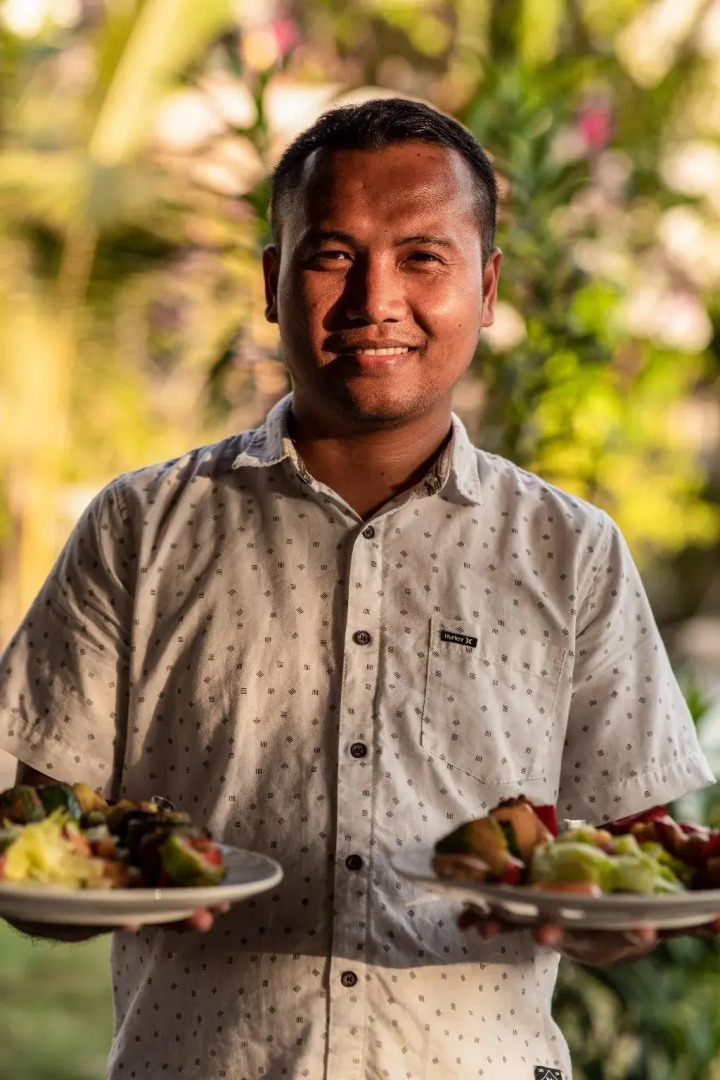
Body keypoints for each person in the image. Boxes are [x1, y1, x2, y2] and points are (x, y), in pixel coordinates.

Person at [0, 96, 715, 1080]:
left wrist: (603, 924)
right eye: (332, 253)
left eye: (424, 256)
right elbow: (37, 831)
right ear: (271, 281)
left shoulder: (571, 551)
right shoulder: (139, 528)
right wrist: (90, 890)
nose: (375, 297)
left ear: (490, 286)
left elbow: (633, 861)